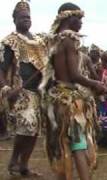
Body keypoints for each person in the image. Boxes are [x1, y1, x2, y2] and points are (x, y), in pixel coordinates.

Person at [43, 3, 107, 180]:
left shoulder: (55, 40)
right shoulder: (69, 40)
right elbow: (74, 75)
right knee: (79, 145)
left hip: (58, 98)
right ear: (67, 17)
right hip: (68, 99)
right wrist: (95, 84)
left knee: (64, 144)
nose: (81, 22)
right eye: (78, 18)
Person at [0, 0, 47, 176]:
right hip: (20, 91)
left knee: (34, 130)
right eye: (22, 17)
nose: (26, 20)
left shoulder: (38, 42)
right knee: (27, 125)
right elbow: (1, 69)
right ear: (14, 20)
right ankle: (13, 160)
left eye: (28, 17)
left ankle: (24, 165)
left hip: (38, 92)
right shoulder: (9, 42)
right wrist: (6, 89)